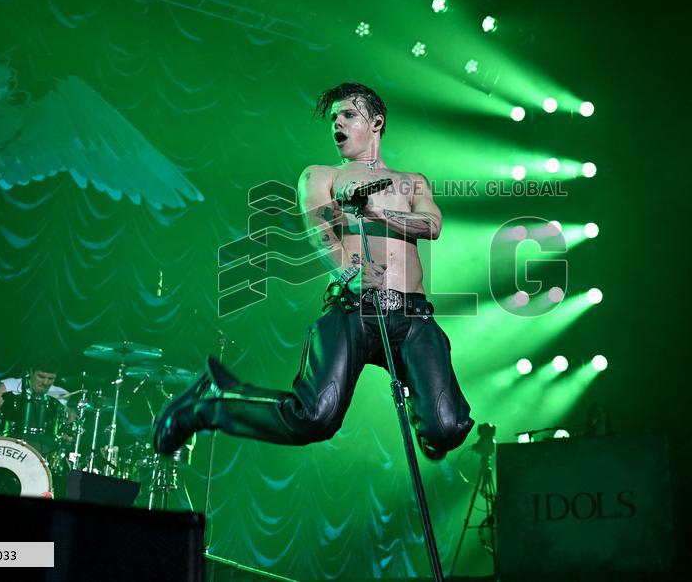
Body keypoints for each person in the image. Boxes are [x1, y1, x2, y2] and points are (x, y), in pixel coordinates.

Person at [153, 82, 474, 460]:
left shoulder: (412, 180)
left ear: (376, 122)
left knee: (447, 427)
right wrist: (348, 272)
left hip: (413, 317)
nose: (337, 122)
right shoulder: (322, 176)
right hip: (353, 308)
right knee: (314, 417)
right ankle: (212, 402)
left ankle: (431, 428)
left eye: (348, 114)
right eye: (333, 117)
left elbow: (431, 226)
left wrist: (378, 213)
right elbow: (318, 232)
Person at [0, 365, 72, 422]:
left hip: (44, 447)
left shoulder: (60, 394)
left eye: (51, 379)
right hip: (9, 442)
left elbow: (71, 419)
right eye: (41, 377)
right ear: (30, 372)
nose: (45, 383)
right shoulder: (11, 385)